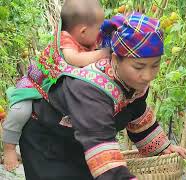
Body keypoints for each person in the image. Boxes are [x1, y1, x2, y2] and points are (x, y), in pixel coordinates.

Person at [6, 10, 186, 179]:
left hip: (79, 140)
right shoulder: (91, 89)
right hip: (47, 140)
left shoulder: (133, 82)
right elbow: (99, 143)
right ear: (115, 59)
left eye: (155, 65)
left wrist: (162, 148)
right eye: (139, 67)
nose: (148, 75)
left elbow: (138, 114)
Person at [1, 0, 111, 171]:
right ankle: (8, 148)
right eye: (98, 30)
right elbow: (75, 60)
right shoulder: (65, 40)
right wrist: (104, 54)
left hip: (51, 92)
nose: (100, 35)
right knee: (19, 112)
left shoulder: (86, 40)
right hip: (33, 85)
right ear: (82, 31)